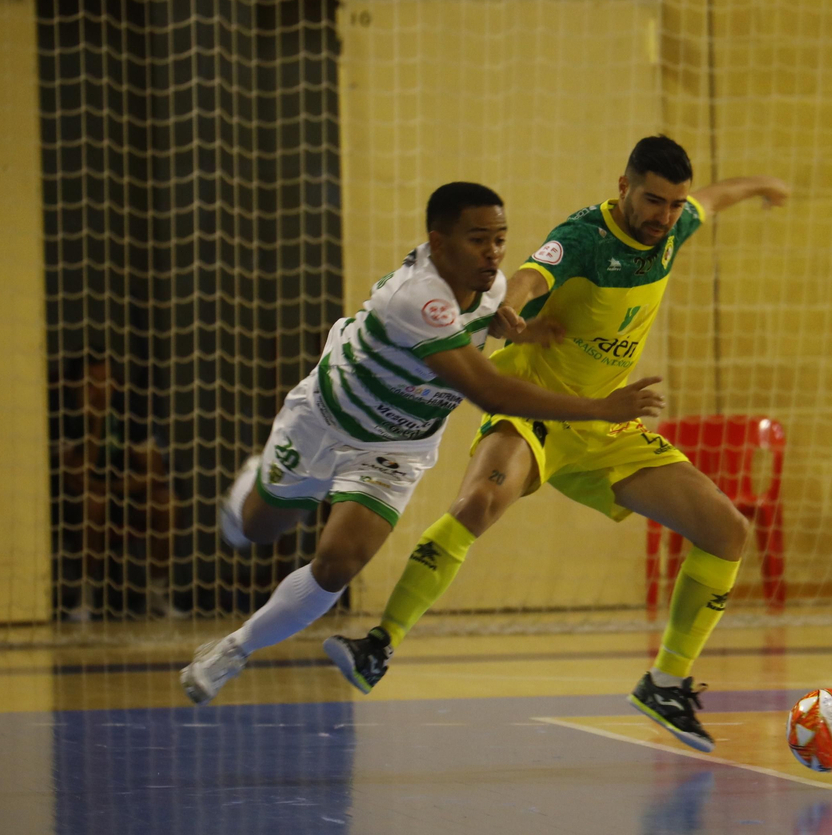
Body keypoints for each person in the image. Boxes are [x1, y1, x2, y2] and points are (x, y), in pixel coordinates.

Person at [323, 136, 789, 752]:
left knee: (726, 529)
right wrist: (507, 310)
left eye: (674, 205)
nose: (664, 215)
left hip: (605, 423)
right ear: (623, 188)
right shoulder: (585, 237)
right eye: (653, 201)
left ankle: (666, 683)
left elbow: (712, 197)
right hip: (536, 406)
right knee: (479, 504)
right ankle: (379, 645)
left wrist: (760, 185)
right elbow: (530, 274)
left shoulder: (674, 228)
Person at [180, 182, 665, 704]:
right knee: (255, 529)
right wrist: (600, 409)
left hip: (397, 447)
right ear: (438, 242)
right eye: (479, 239)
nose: (494, 252)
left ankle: (234, 648)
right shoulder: (417, 298)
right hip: (326, 419)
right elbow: (488, 390)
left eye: (500, 238)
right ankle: (253, 487)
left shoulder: (491, 288)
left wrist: (526, 332)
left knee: (338, 563)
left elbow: (489, 320)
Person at [55, 354, 183, 621]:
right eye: (92, 382)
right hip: (74, 505)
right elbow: (74, 478)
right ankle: (85, 597)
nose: (101, 389)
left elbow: (154, 472)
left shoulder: (130, 409)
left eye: (107, 381)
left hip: (122, 494)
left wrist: (109, 487)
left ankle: (156, 597)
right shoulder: (63, 412)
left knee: (166, 503)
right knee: (93, 502)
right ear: (75, 384)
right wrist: (96, 423)